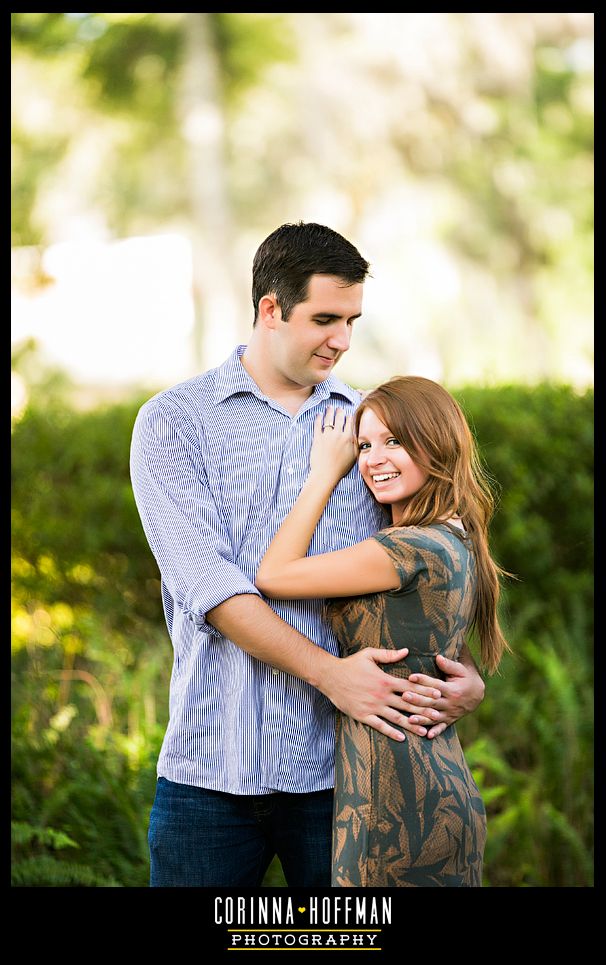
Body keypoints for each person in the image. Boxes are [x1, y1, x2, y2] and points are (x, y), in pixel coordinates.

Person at [130, 222, 486, 888]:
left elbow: (421, 565)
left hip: (345, 776)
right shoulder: (174, 423)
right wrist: (331, 673)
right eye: (325, 318)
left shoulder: (373, 429)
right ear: (270, 308)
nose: (343, 340)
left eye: (352, 320)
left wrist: (460, 676)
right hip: (209, 772)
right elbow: (211, 587)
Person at [256, 380, 511, 887]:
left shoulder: (409, 548)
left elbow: (273, 575)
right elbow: (435, 645)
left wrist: (324, 474)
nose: (373, 459)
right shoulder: (452, 534)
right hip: (421, 786)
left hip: (399, 806)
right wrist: (474, 684)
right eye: (365, 445)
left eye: (393, 441)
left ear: (436, 442)